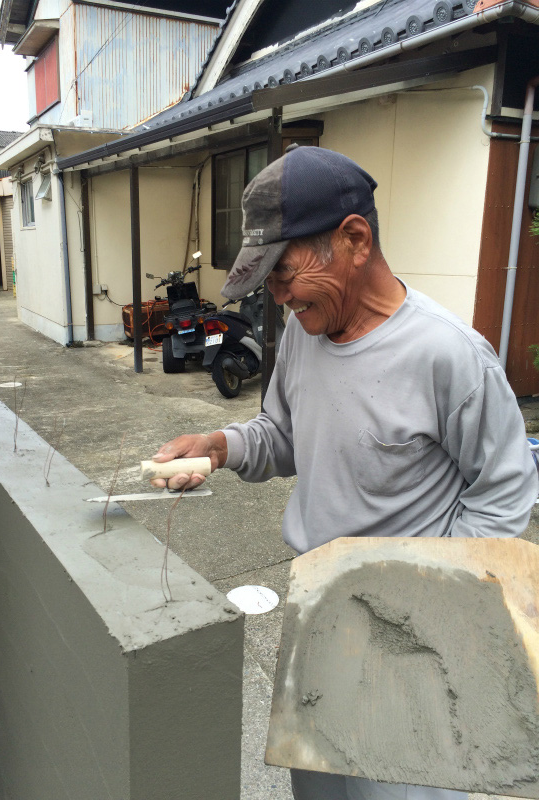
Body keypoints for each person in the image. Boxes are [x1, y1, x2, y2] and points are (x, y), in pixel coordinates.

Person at [151, 146, 538, 800]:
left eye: (286, 271)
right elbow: (283, 434)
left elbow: (503, 495)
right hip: (321, 616)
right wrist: (219, 444)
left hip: (412, 643)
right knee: (322, 790)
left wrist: (423, 592)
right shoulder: (303, 332)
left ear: (354, 240)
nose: (277, 294)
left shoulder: (450, 357)